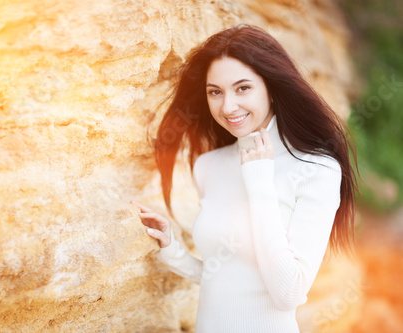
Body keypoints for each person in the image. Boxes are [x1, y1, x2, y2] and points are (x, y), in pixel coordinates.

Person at [131, 24, 358, 332]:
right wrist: (171, 247)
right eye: (215, 92)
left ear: (272, 88)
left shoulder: (316, 169)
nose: (227, 106)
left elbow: (287, 293)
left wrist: (260, 185)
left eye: (243, 88)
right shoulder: (208, 166)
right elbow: (224, 277)